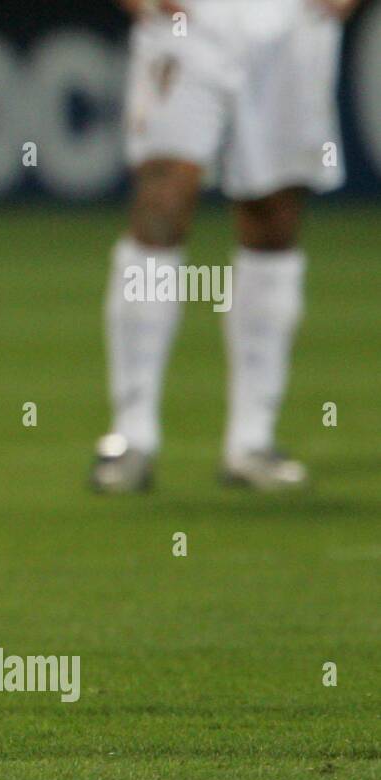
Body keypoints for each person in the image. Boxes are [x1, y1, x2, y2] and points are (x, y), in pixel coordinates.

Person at [92, 0, 358, 492]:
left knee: (273, 215)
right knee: (163, 198)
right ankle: (132, 435)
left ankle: (252, 440)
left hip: (292, 21)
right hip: (187, 20)